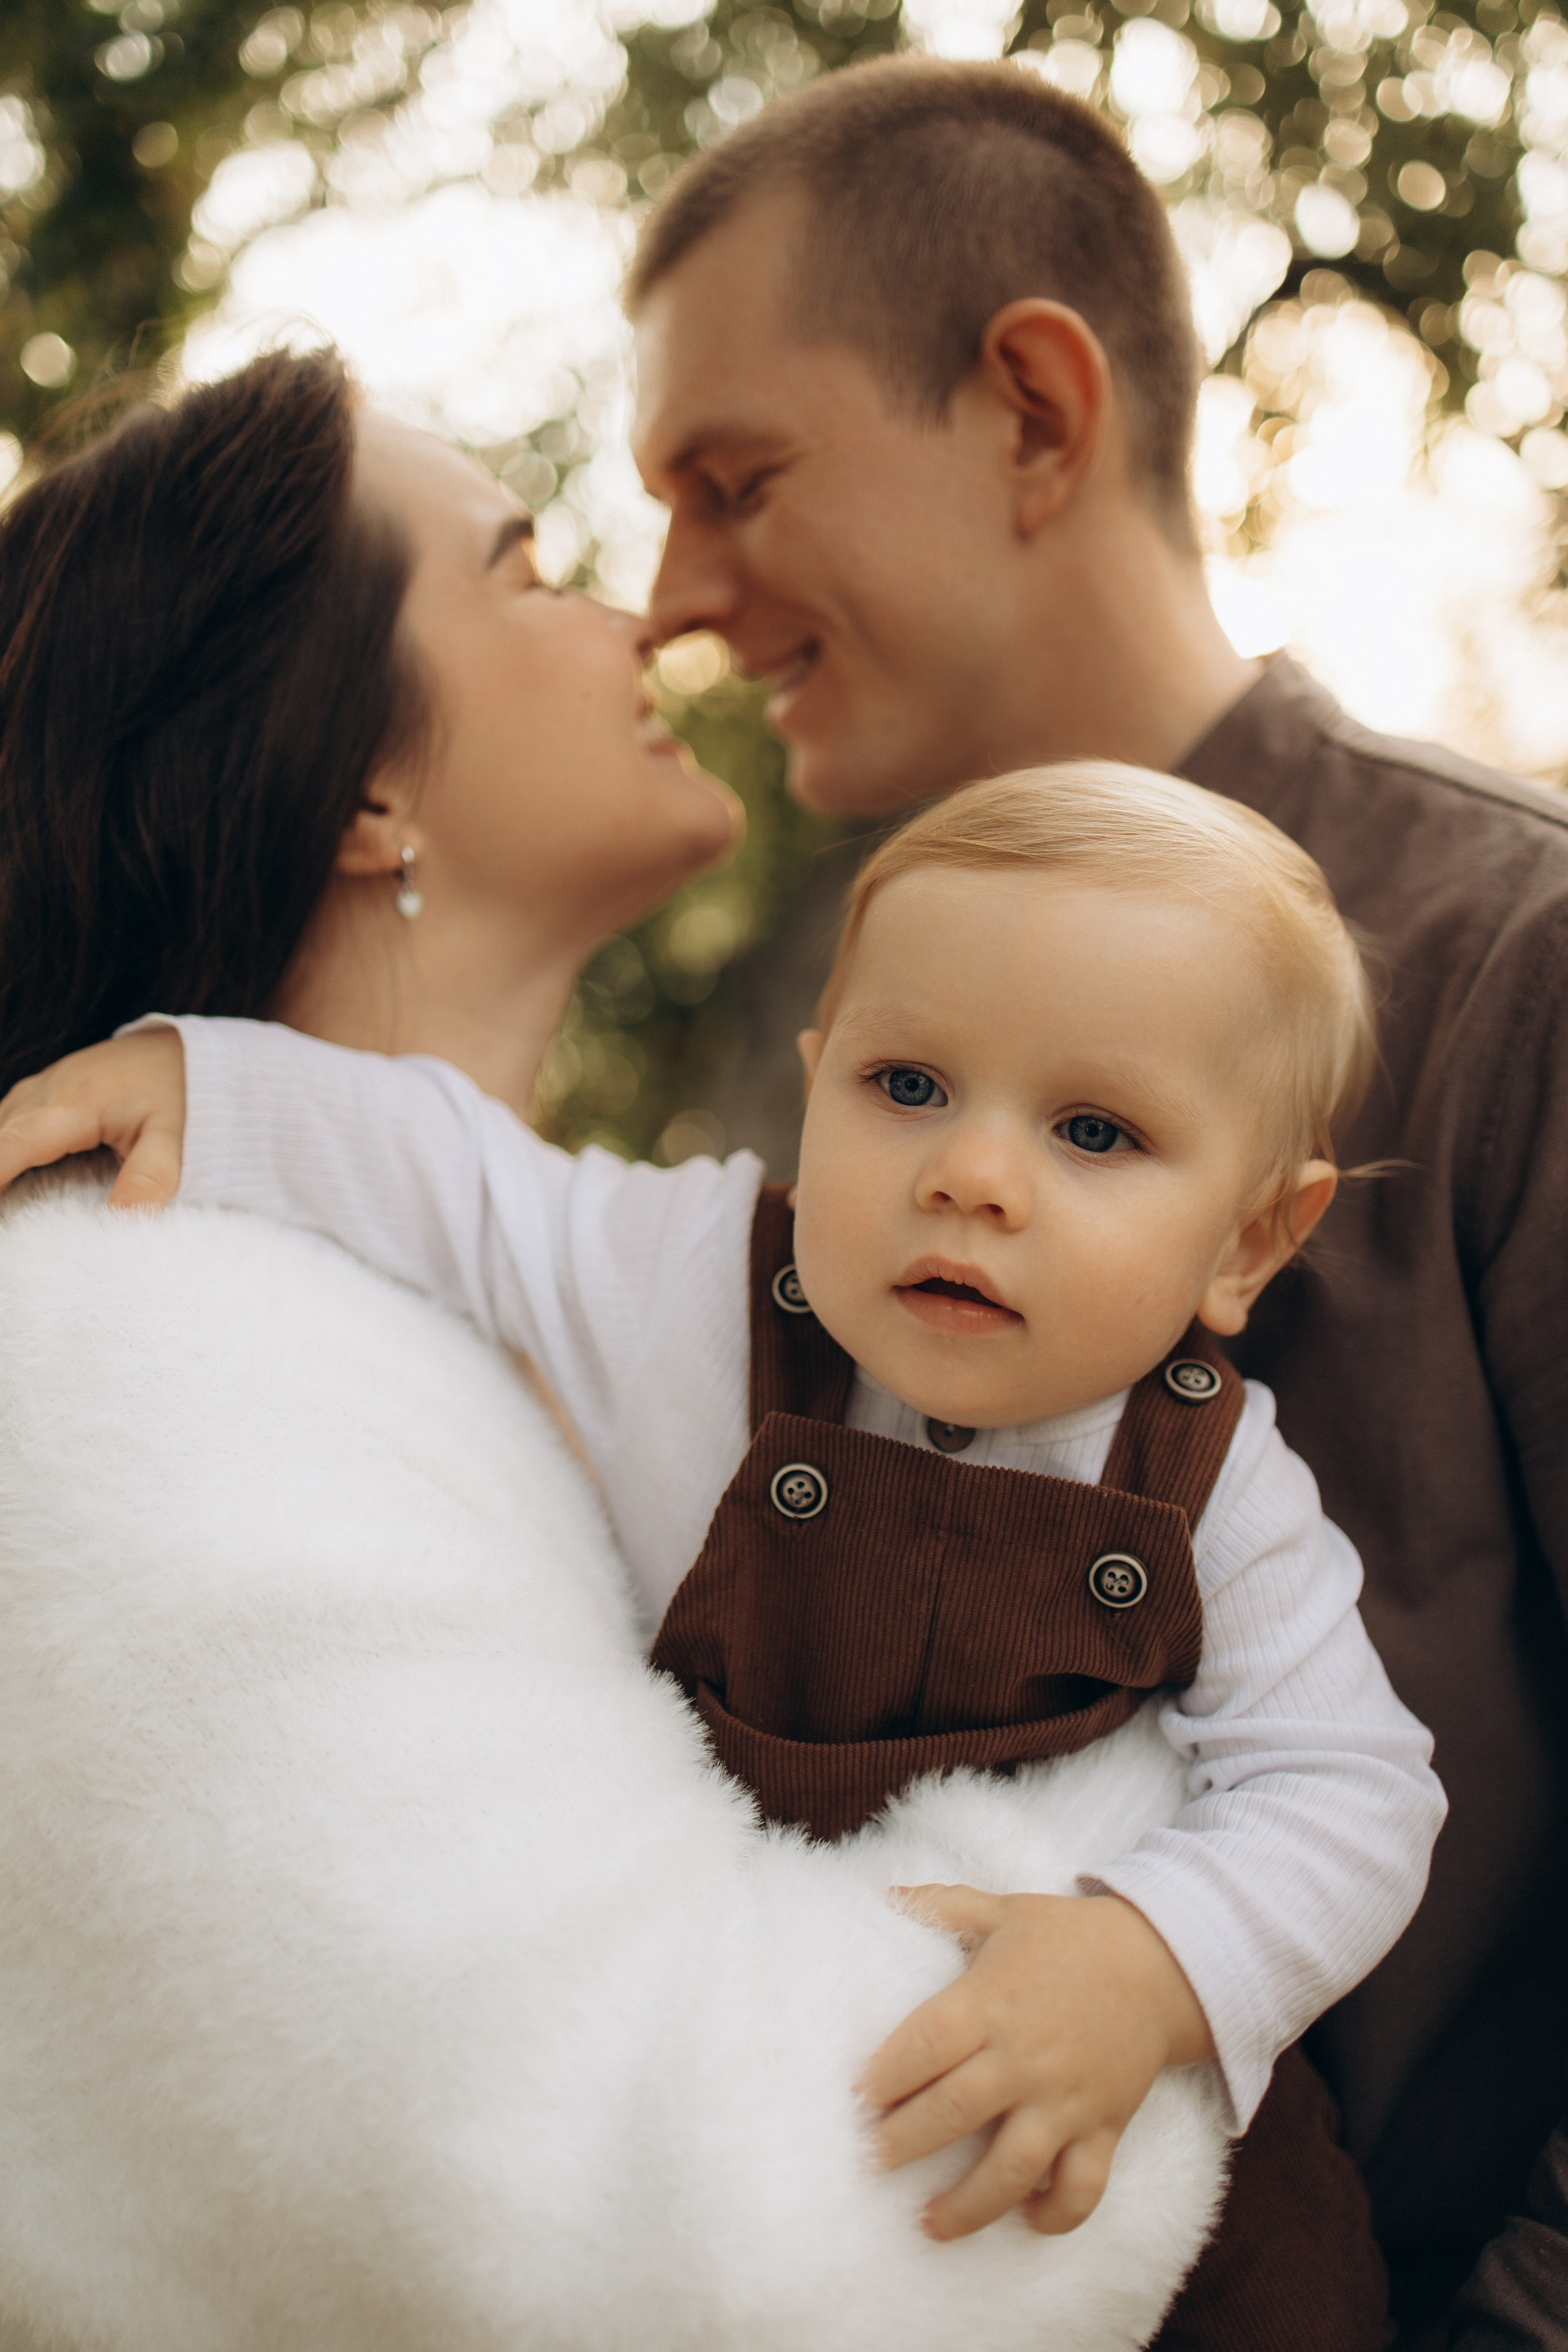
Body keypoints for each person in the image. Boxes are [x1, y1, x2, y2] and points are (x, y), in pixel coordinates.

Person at [0, 349, 1240, 2351]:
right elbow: (751, 2240)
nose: (652, 612)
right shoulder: (135, 1340)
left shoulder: (564, 1302)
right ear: (368, 786)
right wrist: (1159, 1784)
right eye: (523, 568)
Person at [8, 763, 1446, 2348]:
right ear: (816, 1083)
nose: (971, 1173)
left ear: (1251, 1239)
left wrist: (1159, 1964)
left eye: (1093, 1130)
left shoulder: (1218, 1482)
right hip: (753, 2063)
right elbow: (468, 1185)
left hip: (1118, 2142)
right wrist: (209, 1087)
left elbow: (1354, 1786)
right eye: (906, 1087)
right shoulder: (696, 1281)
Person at [611, 53, 1568, 2350]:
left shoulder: (1518, 965)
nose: (669, 598)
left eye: (733, 484)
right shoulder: (798, 1081)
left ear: (1037, 414)